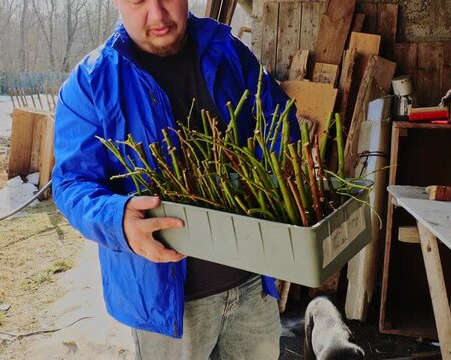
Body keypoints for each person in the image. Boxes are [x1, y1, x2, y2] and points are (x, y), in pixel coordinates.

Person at [52, 0, 299, 358]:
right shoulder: (91, 83)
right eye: (138, 1)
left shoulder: (227, 49)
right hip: (167, 307)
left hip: (251, 285)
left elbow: (279, 124)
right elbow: (71, 183)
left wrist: (279, 175)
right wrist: (116, 218)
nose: (157, 14)